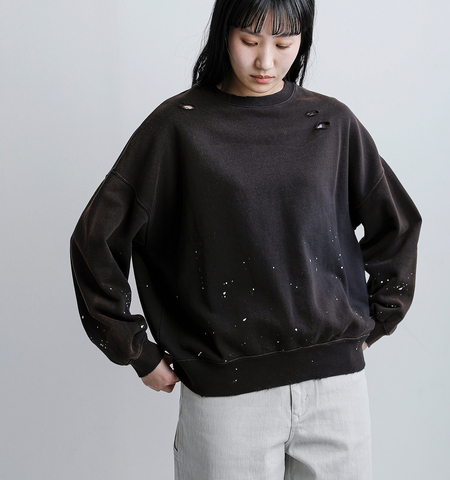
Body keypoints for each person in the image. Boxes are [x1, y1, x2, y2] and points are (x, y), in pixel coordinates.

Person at [70, 0, 421, 478]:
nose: (266, 61)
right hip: (226, 401)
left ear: (302, 40)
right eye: (250, 41)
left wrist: (378, 322)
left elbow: (396, 225)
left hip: (336, 392)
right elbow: (95, 241)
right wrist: (136, 351)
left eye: (284, 44)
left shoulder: (331, 123)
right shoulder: (179, 127)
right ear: (224, 33)